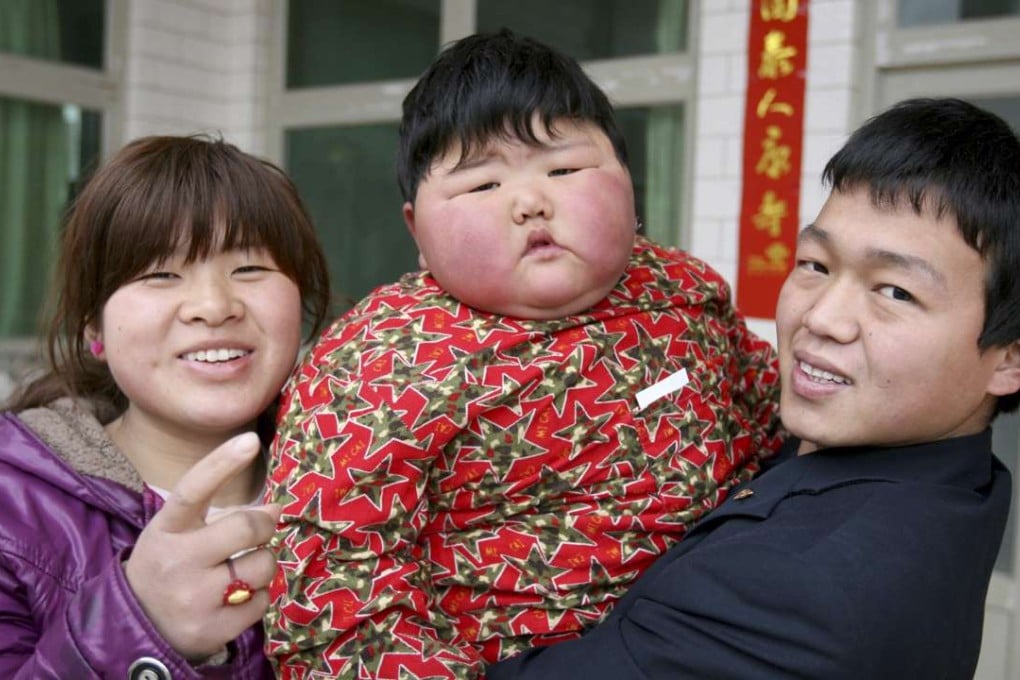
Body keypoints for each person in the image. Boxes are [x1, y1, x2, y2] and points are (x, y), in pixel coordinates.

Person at [266, 29, 783, 678]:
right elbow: (332, 591)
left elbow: (777, 420)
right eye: (481, 185)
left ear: (630, 186)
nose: (531, 201)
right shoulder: (373, 363)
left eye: (564, 169)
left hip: (737, 631)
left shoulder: (685, 289)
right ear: (416, 233)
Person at [484, 97, 1020, 679]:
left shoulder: (794, 591)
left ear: (1009, 358)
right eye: (815, 263)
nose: (821, 318)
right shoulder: (955, 474)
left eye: (895, 292)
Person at [0, 135, 331, 679]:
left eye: (249, 268)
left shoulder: (369, 485)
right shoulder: (15, 509)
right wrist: (138, 627)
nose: (213, 307)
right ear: (94, 329)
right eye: (160, 275)